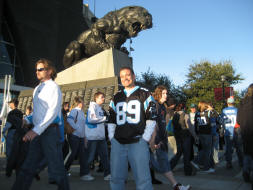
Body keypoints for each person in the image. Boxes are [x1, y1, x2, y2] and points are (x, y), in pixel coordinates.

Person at [11, 58, 69, 190]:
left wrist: (35, 130)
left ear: (49, 71)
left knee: (57, 170)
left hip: (49, 133)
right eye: (36, 69)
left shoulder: (54, 87)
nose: (37, 72)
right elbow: (38, 112)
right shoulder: (37, 88)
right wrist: (27, 119)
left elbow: (52, 113)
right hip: (38, 133)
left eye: (40, 69)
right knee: (28, 167)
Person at [107, 67, 156, 190]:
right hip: (118, 142)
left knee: (143, 179)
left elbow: (151, 117)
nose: (125, 78)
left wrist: (145, 137)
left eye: (127, 75)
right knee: (116, 177)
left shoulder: (145, 93)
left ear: (134, 76)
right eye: (122, 76)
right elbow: (111, 119)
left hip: (137, 141)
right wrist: (111, 137)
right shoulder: (116, 96)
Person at [150, 85, 191, 190]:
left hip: (161, 140)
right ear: (158, 94)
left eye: (166, 93)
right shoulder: (154, 106)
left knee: (161, 163)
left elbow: (163, 125)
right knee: (158, 164)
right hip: (156, 140)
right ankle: (176, 185)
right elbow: (152, 124)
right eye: (164, 93)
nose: (166, 95)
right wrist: (154, 140)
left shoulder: (163, 106)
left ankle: (175, 185)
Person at [85, 91, 111, 180]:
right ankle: (85, 174)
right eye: (101, 97)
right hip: (93, 137)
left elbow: (101, 122)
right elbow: (91, 119)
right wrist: (104, 118)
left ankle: (107, 174)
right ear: (96, 98)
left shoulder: (100, 108)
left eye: (103, 97)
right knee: (90, 157)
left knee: (105, 156)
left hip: (101, 136)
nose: (103, 98)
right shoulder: (92, 106)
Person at [64, 96, 90, 180]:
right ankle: (63, 171)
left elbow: (83, 125)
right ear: (79, 102)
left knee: (82, 155)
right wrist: (77, 128)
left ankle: (84, 174)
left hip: (81, 137)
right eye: (82, 101)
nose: (83, 103)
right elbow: (69, 120)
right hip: (74, 136)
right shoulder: (75, 111)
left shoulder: (81, 112)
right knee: (72, 153)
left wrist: (85, 137)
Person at [170, 103, 196, 176]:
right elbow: (189, 127)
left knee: (178, 153)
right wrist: (195, 136)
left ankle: (169, 167)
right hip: (185, 135)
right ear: (184, 108)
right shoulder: (185, 115)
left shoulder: (175, 115)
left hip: (178, 136)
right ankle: (188, 171)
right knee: (186, 154)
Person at [237, 84, 253, 184]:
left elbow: (238, 120)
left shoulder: (242, 102)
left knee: (247, 153)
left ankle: (246, 171)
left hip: (245, 132)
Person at [221, 96, 243, 169]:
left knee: (228, 149)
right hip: (236, 130)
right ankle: (241, 162)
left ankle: (229, 163)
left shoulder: (224, 110)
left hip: (228, 131)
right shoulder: (237, 110)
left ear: (227, 103)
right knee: (239, 148)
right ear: (233, 103)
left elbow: (223, 122)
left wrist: (222, 131)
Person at [194, 101, 214, 173]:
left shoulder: (197, 113)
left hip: (200, 133)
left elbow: (196, 125)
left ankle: (196, 161)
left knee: (203, 150)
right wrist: (212, 109)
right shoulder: (208, 113)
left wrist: (196, 134)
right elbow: (216, 116)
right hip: (207, 133)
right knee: (207, 151)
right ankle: (206, 167)